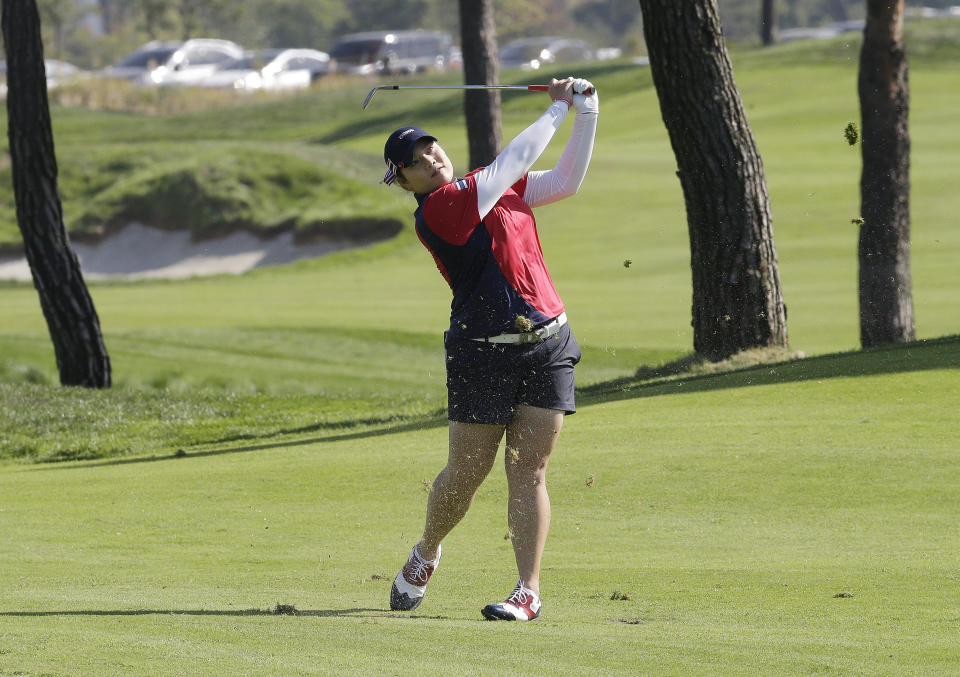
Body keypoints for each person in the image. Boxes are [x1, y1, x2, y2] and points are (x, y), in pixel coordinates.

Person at [383, 76, 598, 621]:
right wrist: (557, 110)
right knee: (466, 474)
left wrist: (586, 113)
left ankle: (528, 591)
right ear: (403, 179)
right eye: (415, 160)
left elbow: (566, 181)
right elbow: (511, 161)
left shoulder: (490, 186)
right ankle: (427, 550)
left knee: (528, 470)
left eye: (431, 146)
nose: (431, 159)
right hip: (482, 353)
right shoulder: (438, 211)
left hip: (548, 343)